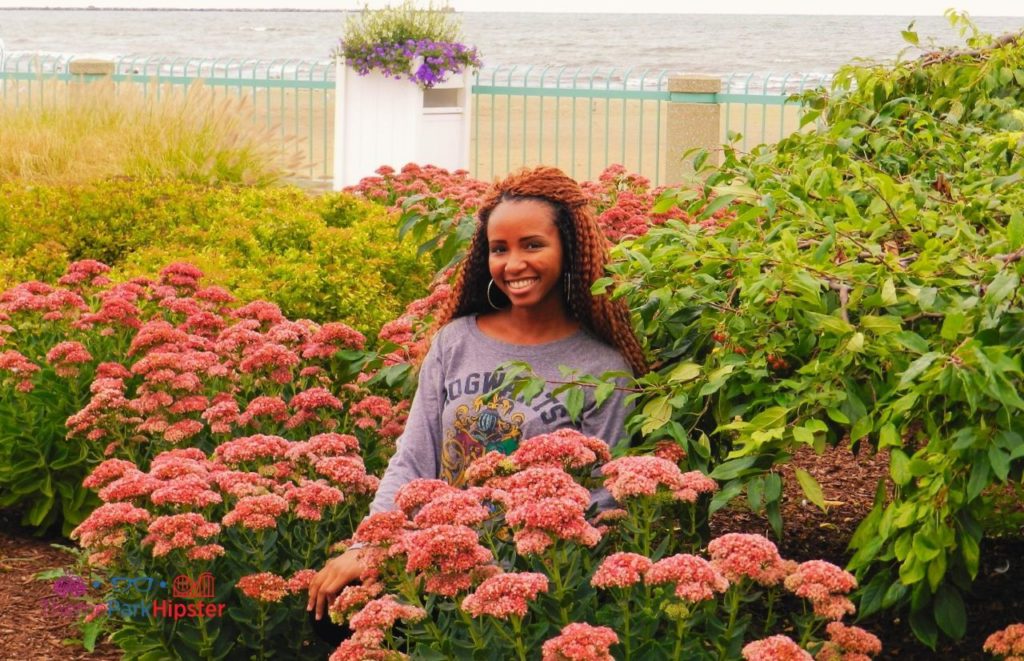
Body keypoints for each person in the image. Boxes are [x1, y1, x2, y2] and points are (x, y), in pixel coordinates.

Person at [306, 165, 647, 624]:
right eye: (499, 249)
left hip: (540, 585)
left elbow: (605, 503)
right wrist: (369, 545)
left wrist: (530, 574)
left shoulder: (602, 369)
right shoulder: (456, 342)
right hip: (432, 561)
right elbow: (413, 458)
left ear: (569, 250)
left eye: (532, 245)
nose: (513, 264)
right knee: (329, 611)